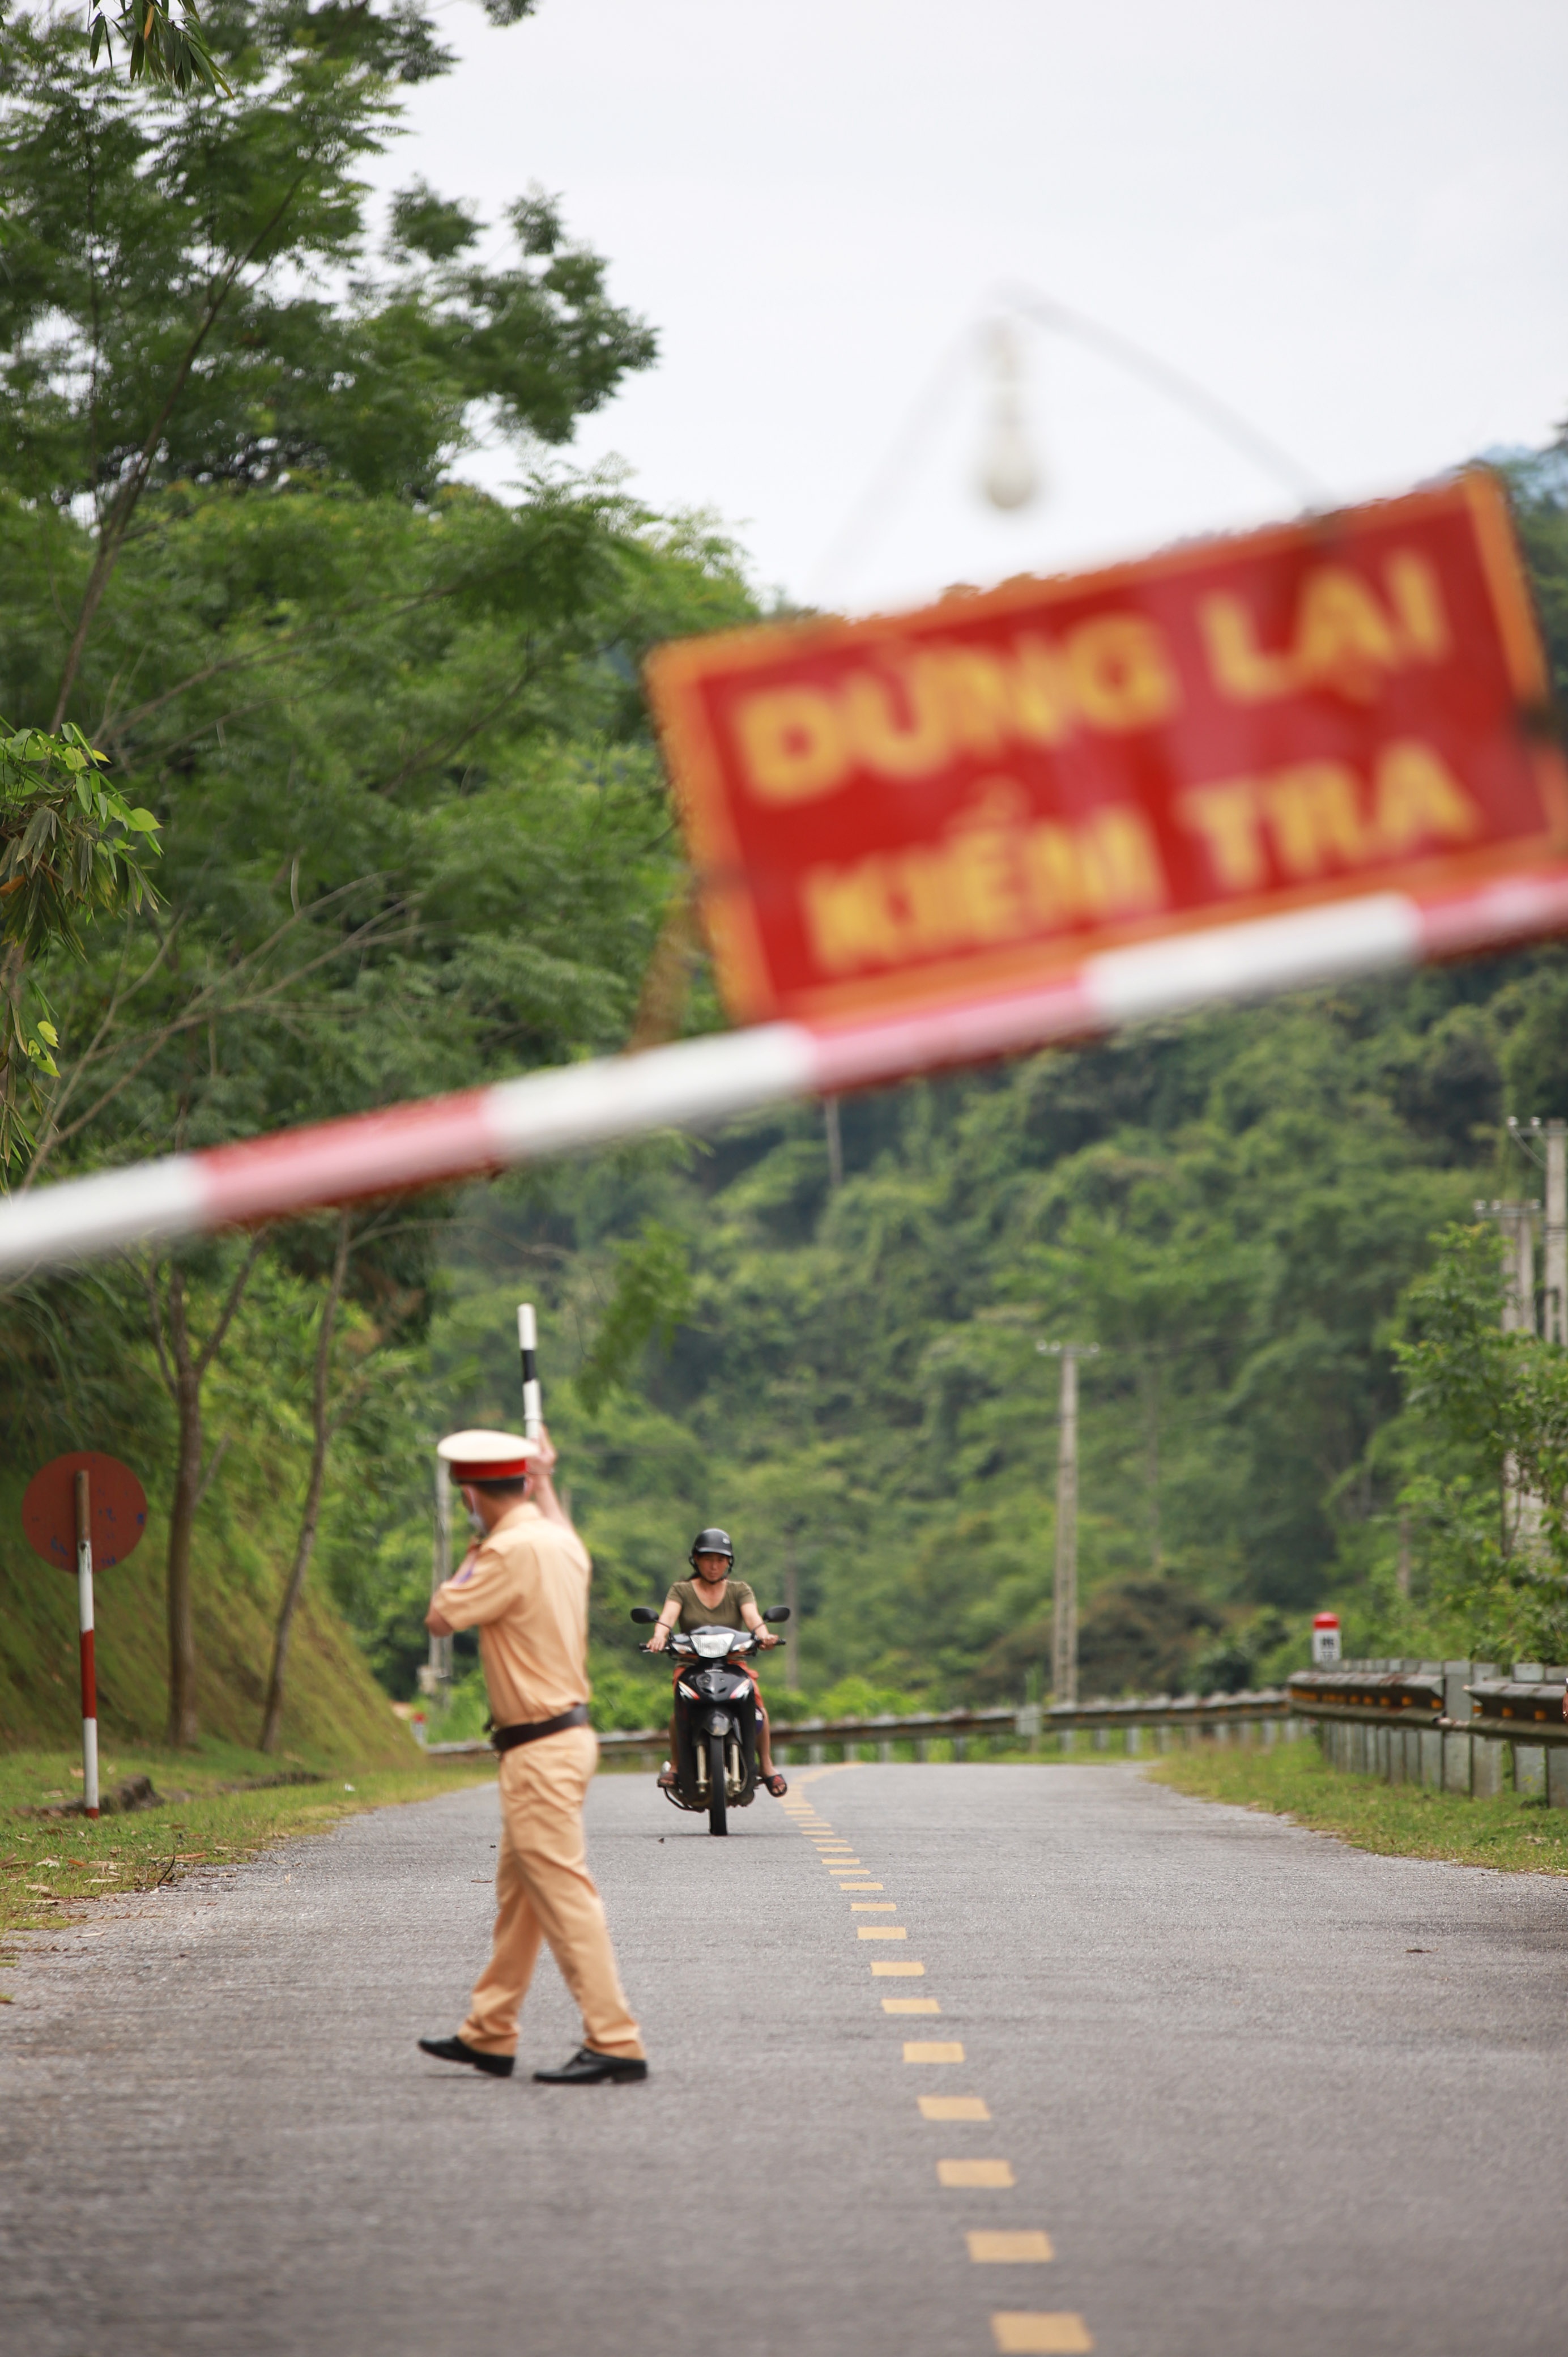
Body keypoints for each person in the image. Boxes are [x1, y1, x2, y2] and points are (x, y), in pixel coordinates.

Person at [417, 1424, 647, 2086]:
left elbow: (441, 1612)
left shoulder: (505, 1550)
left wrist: (475, 1547)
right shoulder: (560, 1542)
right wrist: (545, 1480)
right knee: (520, 1894)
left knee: (565, 1895)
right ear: (523, 1480)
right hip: (563, 1738)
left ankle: (616, 2038)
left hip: (538, 1749)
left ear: (469, 1492)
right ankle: (490, 2029)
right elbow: (557, 1525)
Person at [646, 1526, 788, 1797]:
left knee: (757, 1704)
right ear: (696, 1560)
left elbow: (754, 1619)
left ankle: (767, 1765)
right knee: (681, 1707)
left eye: (720, 1560)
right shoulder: (682, 1590)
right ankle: (676, 1765)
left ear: (729, 1563)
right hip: (692, 1666)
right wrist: (658, 1637)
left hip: (734, 1664)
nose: (714, 1566)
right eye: (708, 1559)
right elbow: (667, 1618)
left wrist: (765, 1636)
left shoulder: (739, 1590)